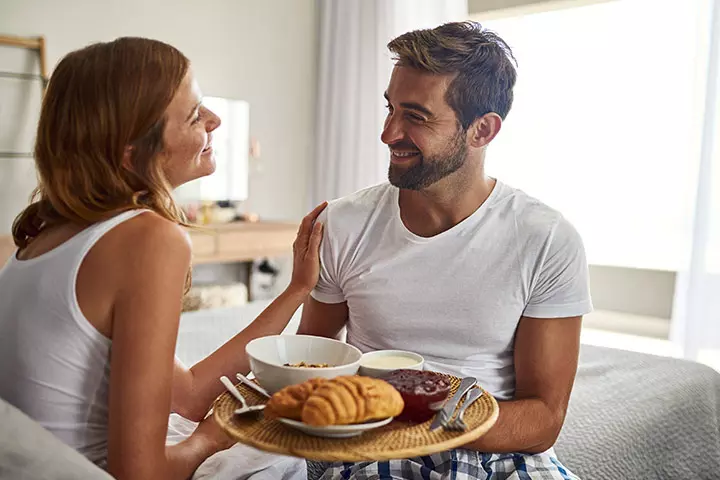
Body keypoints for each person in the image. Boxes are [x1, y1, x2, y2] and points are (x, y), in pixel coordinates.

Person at [0, 37, 325, 480]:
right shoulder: (147, 239)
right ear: (132, 154)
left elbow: (189, 395)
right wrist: (209, 439)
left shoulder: (43, 239)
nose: (215, 119)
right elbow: (142, 473)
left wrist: (297, 291)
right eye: (195, 115)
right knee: (290, 457)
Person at [298, 21, 592, 479]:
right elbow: (310, 364)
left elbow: (543, 420)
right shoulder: (342, 223)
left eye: (415, 116)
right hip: (378, 449)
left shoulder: (546, 239)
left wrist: (428, 422)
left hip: (502, 456)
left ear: (483, 131)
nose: (388, 133)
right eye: (390, 108)